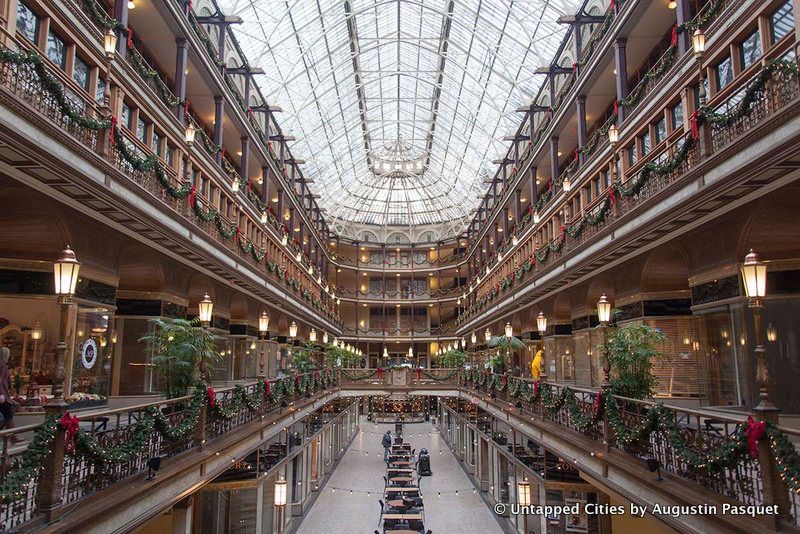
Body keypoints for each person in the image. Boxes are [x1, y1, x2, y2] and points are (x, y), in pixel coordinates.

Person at [0, 347, 20, 442]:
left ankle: (11, 436)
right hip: (2, 396)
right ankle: (12, 436)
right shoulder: (1, 366)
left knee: (9, 412)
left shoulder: (3, 366)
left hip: (4, 395)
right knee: (8, 413)